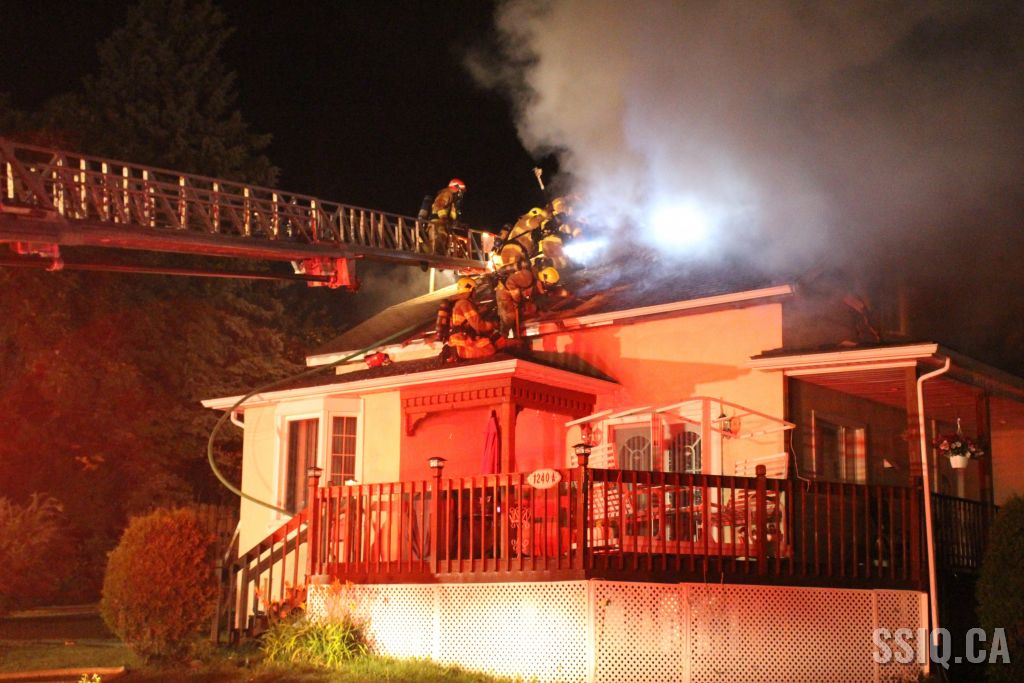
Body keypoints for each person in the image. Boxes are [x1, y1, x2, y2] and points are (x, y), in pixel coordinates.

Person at [445, 276, 497, 360]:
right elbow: (479, 326)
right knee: (490, 349)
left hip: (458, 342)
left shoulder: (458, 303)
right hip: (463, 346)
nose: (476, 292)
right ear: (471, 290)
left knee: (489, 342)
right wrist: (493, 324)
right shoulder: (465, 304)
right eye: (475, 290)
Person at [427, 178, 466, 255]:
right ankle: (425, 254)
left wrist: (459, 224)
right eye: (461, 190)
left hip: (443, 225)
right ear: (456, 187)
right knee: (438, 244)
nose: (461, 193)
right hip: (437, 224)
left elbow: (451, 217)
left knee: (442, 246)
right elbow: (438, 204)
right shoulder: (447, 193)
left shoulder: (453, 201)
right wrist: (444, 217)